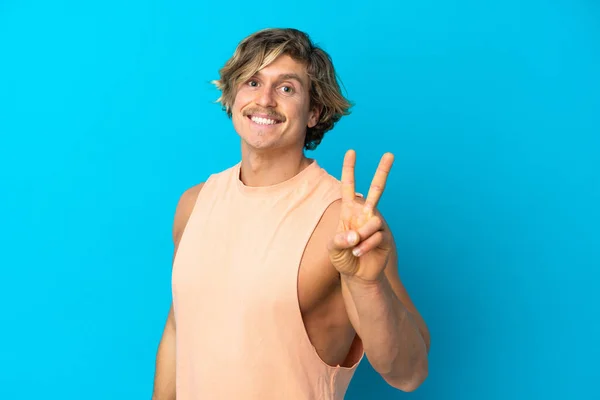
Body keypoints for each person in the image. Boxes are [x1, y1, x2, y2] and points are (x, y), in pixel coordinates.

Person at [151, 28, 430, 400]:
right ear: (233, 96)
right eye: (252, 82)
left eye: (286, 88)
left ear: (314, 111)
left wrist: (368, 284)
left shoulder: (346, 222)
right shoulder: (194, 203)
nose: (264, 99)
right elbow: (177, 329)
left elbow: (409, 374)